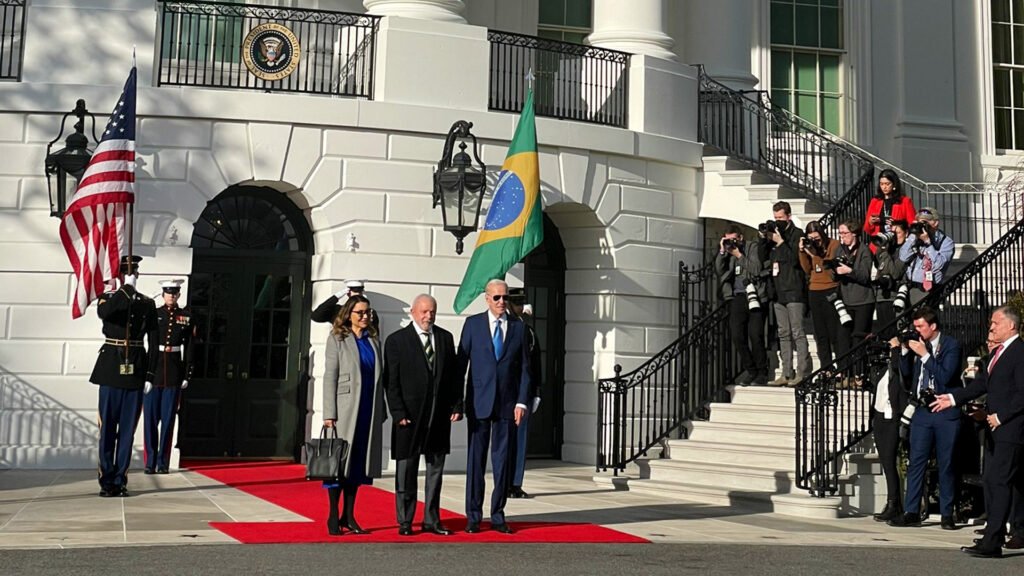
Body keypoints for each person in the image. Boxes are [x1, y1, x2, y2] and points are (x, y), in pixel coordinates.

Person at [931, 306, 1024, 558]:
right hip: (997, 430)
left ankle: (993, 540)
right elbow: (982, 384)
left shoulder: (1019, 352)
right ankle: (997, 533)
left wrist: (1001, 416)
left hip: (1012, 430)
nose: (991, 327)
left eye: (995, 322)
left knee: (998, 480)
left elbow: (1022, 393)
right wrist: (952, 398)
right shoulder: (999, 353)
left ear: (1010, 326)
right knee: (998, 481)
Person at [383, 294, 463, 537]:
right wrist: (398, 413)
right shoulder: (397, 341)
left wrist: (457, 405)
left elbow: (453, 377)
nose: (429, 316)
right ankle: (405, 521)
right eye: (424, 312)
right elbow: (391, 382)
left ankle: (432, 519)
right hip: (409, 419)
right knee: (406, 473)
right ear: (413, 313)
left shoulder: (445, 338)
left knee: (435, 472)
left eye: (433, 312)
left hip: (438, 418)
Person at [458, 279, 531, 534]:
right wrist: (457, 402)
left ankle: (498, 515)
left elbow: (525, 369)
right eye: (497, 298)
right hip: (479, 403)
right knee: (476, 462)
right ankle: (473, 516)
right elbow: (461, 366)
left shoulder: (518, 329)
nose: (502, 302)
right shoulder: (473, 325)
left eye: (505, 297)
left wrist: (522, 401)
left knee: (502, 462)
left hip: (508, 406)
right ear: (487, 299)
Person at [887, 307, 961, 530]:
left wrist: (925, 355)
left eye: (920, 326)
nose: (917, 330)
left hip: (945, 410)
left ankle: (947, 513)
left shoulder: (950, 346)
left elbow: (946, 377)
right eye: (915, 326)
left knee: (946, 463)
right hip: (922, 411)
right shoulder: (919, 346)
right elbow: (908, 377)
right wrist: (904, 353)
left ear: (933, 326)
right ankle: (911, 511)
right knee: (916, 462)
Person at [91, 255, 157, 497]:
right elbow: (105, 314)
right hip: (110, 369)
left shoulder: (147, 303)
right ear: (119, 276)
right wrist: (125, 289)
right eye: (129, 273)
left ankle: (120, 480)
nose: (134, 276)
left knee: (127, 432)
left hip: (136, 370)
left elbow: (154, 339)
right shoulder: (108, 298)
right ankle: (106, 479)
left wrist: (150, 374)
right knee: (107, 429)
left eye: (135, 273)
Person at [322, 295, 386, 536]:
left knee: (359, 464)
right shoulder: (338, 337)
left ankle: (348, 515)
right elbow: (330, 375)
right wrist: (329, 413)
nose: (365, 316)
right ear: (349, 314)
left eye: (367, 312)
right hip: (344, 409)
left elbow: (381, 377)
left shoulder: (374, 340)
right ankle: (332, 515)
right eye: (360, 312)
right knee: (338, 464)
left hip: (368, 409)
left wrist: (382, 409)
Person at [142, 279, 194, 475]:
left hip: (173, 373)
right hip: (154, 372)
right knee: (150, 421)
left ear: (179, 295)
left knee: (168, 420)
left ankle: (163, 462)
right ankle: (150, 462)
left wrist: (187, 372)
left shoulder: (185, 317)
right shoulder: (155, 315)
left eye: (174, 293)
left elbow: (189, 346)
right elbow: (152, 345)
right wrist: (147, 375)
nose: (171, 296)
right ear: (163, 294)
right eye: (168, 292)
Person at [714, 225, 768, 386]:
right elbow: (719, 270)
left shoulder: (752, 247)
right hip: (738, 296)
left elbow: (756, 269)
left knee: (755, 335)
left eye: (734, 239)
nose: (732, 242)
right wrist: (723, 251)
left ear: (741, 237)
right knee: (737, 335)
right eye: (728, 239)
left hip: (756, 295)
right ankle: (750, 370)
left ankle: (762, 371)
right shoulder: (728, 252)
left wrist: (739, 255)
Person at [767, 201, 812, 385]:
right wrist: (766, 239)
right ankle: (786, 372)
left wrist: (781, 242)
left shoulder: (797, 234)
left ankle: (803, 371)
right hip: (778, 291)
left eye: (780, 218)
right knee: (783, 333)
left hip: (794, 289)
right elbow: (766, 259)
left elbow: (795, 259)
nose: (778, 222)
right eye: (775, 218)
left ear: (789, 217)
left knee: (797, 332)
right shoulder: (774, 236)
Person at [870, 329, 911, 522]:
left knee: (889, 459)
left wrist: (897, 349)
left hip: (893, 417)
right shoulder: (885, 366)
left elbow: (900, 369)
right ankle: (893, 501)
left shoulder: (906, 361)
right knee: (885, 460)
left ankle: (894, 503)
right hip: (880, 416)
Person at [508, 289, 542, 498]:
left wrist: (536, 391)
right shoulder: (512, 328)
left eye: (521, 303)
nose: (521, 307)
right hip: (506, 392)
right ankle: (505, 481)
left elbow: (534, 364)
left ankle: (515, 482)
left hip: (523, 392)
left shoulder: (526, 330)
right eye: (517, 303)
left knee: (519, 440)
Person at [799, 220, 845, 370]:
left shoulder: (834, 245)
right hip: (814, 290)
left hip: (830, 289)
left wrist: (814, 255)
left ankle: (841, 367)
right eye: (811, 238)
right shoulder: (809, 247)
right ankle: (826, 367)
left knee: (834, 331)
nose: (815, 241)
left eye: (817, 238)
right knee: (820, 333)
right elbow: (807, 269)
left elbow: (828, 268)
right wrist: (802, 252)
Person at [899, 207, 954, 305]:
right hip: (908, 287)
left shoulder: (946, 242)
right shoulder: (915, 238)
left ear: (935, 223)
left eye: (925, 222)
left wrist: (928, 243)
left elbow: (938, 265)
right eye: (920, 222)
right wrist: (913, 235)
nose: (922, 225)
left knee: (922, 319)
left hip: (928, 289)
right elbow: (903, 257)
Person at [834, 219, 875, 342]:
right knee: (843, 339)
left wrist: (849, 271)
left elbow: (864, 276)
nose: (842, 236)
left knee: (859, 338)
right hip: (846, 300)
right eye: (840, 233)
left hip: (862, 301)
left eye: (845, 233)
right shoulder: (840, 250)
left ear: (854, 233)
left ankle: (860, 362)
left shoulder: (864, 250)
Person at [863, 169, 916, 254]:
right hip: (878, 245)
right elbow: (867, 229)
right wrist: (870, 222)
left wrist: (898, 224)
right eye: (882, 184)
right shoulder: (875, 201)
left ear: (894, 184)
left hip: (897, 245)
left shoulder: (905, 201)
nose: (884, 187)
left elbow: (912, 225)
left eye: (887, 184)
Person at [872, 219, 909, 337]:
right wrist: (883, 248)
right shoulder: (886, 249)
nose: (893, 236)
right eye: (891, 233)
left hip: (896, 295)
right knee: (884, 334)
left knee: (895, 334)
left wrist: (885, 253)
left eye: (897, 233)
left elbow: (894, 273)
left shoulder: (905, 251)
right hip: (881, 295)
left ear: (906, 233)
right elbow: (879, 267)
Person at [312, 279, 379, 328]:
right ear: (348, 293)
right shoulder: (338, 310)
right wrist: (336, 296)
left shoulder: (369, 312)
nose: (358, 294)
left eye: (360, 292)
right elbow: (317, 316)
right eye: (354, 292)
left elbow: (374, 334)